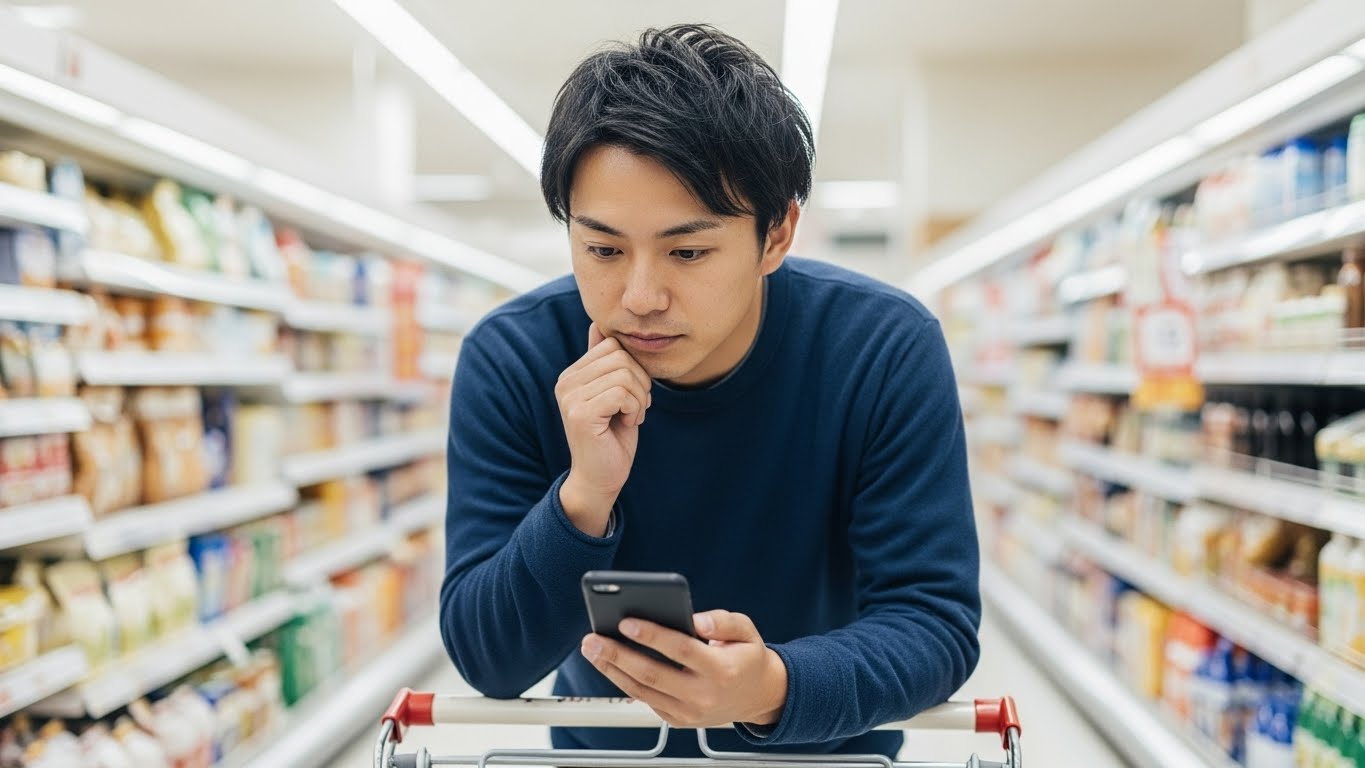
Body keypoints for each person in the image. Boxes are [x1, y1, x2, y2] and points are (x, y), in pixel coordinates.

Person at [439, 22, 980, 760]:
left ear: (776, 235)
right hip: (606, 754)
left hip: (830, 757)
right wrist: (584, 498)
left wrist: (771, 687)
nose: (638, 297)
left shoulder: (882, 348)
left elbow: (933, 624)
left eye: (688, 251)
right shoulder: (513, 357)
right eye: (601, 248)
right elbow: (489, 661)